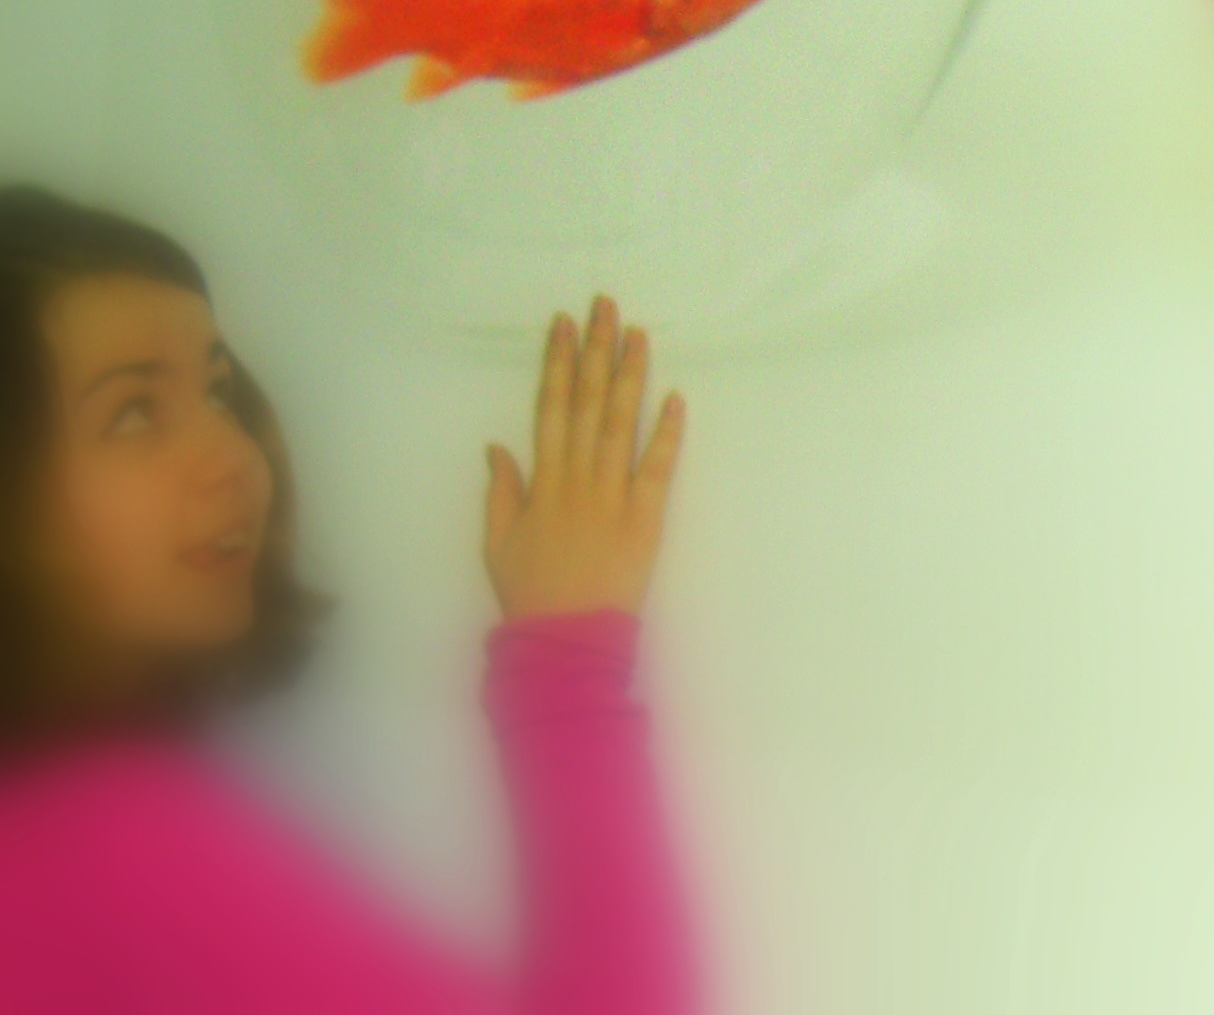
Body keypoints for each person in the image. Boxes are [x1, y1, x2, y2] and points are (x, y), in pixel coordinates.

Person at [0, 182, 700, 1013]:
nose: (233, 454)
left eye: (217, 391)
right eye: (133, 413)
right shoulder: (102, 843)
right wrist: (566, 663)